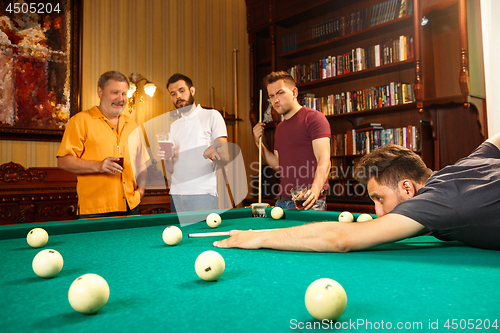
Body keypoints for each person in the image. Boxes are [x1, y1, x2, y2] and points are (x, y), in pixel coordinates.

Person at [214, 133, 500, 251]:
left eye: (379, 198)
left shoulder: (438, 200)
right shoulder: (467, 164)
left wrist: (259, 236)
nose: (377, 211)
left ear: (407, 188)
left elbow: (341, 239)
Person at [57, 71, 149, 218]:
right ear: (100, 92)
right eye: (115, 92)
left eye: (124, 94)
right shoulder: (80, 121)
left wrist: (141, 191)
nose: (120, 99)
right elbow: (63, 161)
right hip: (95, 210)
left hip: (131, 206)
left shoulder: (132, 125)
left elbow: (142, 164)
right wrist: (99, 166)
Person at [253, 71, 331, 210]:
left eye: (280, 93)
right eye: (271, 96)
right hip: (282, 203)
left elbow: (324, 159)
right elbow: (278, 166)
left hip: (309, 202)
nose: (275, 100)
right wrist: (259, 143)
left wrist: (315, 190)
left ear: (294, 92)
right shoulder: (280, 128)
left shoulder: (314, 118)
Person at [161, 73, 229, 213]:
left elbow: (225, 158)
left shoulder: (212, 115)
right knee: (178, 235)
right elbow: (171, 169)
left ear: (192, 91)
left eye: (181, 91)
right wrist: (167, 158)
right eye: (173, 94)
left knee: (205, 235)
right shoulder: (174, 126)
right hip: (176, 194)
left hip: (202, 194)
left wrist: (212, 153)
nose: (178, 96)